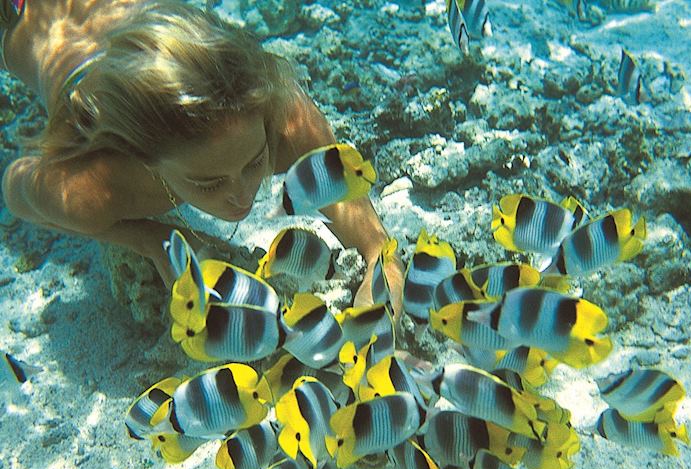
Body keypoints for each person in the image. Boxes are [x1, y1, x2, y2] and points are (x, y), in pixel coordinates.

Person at [1, 0, 402, 310]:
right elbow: (15, 189)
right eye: (207, 182)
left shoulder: (280, 117)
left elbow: (373, 241)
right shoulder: (94, 190)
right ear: (145, 159)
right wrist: (148, 238)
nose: (242, 195)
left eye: (255, 162)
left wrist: (383, 271)